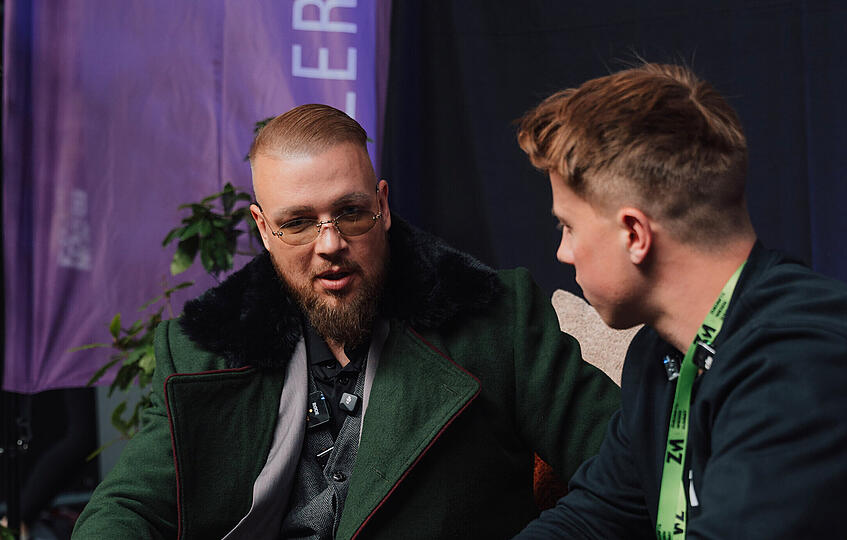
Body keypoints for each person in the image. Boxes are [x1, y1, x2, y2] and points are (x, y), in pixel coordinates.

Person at [513, 63, 847, 539]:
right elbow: (593, 519)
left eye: (568, 226)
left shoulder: (809, 360)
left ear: (634, 233)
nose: (563, 252)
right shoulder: (662, 357)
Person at [73, 104, 620, 539]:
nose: (330, 243)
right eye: (298, 223)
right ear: (263, 229)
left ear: (382, 205)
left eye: (350, 213)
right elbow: (127, 508)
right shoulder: (202, 349)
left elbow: (624, 471)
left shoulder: (495, 319)